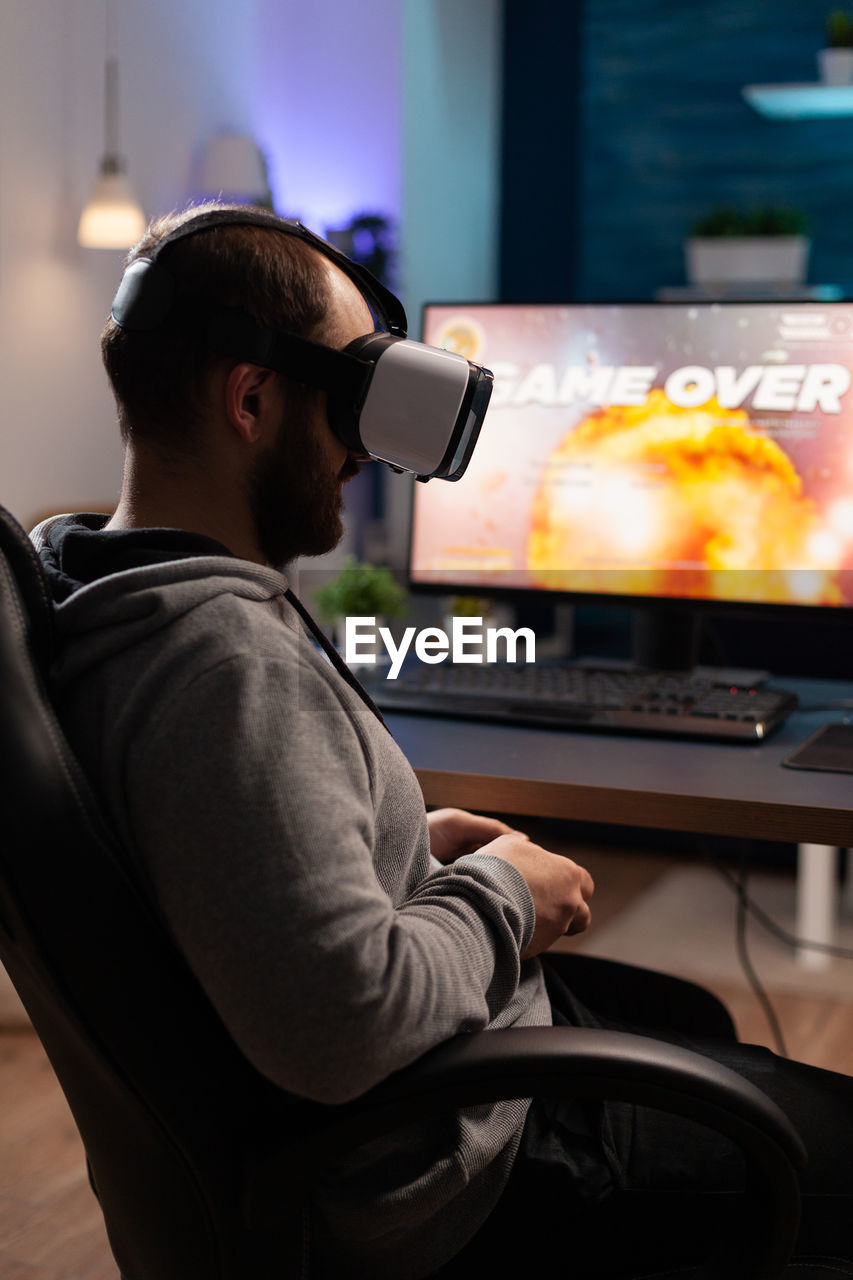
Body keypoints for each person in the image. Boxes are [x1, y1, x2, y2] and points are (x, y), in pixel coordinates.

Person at [33, 203, 853, 1278]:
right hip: (464, 1177)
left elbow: (226, 864)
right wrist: (505, 891)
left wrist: (401, 845)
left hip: (442, 1104)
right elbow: (343, 1026)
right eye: (349, 402)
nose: (365, 454)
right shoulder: (225, 667)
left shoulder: (99, 596)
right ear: (251, 398)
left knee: (687, 1013)